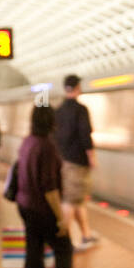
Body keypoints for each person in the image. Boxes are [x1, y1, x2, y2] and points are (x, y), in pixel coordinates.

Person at [15, 105, 75, 268]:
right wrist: (61, 219)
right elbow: (50, 188)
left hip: (25, 205)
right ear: (51, 122)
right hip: (42, 209)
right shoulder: (46, 146)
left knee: (33, 254)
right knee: (64, 248)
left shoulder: (27, 141)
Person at [52, 75, 98, 249]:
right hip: (77, 162)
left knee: (77, 200)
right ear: (78, 88)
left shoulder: (58, 111)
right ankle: (64, 243)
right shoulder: (81, 110)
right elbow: (85, 135)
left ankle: (86, 235)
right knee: (70, 201)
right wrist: (91, 157)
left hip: (62, 160)